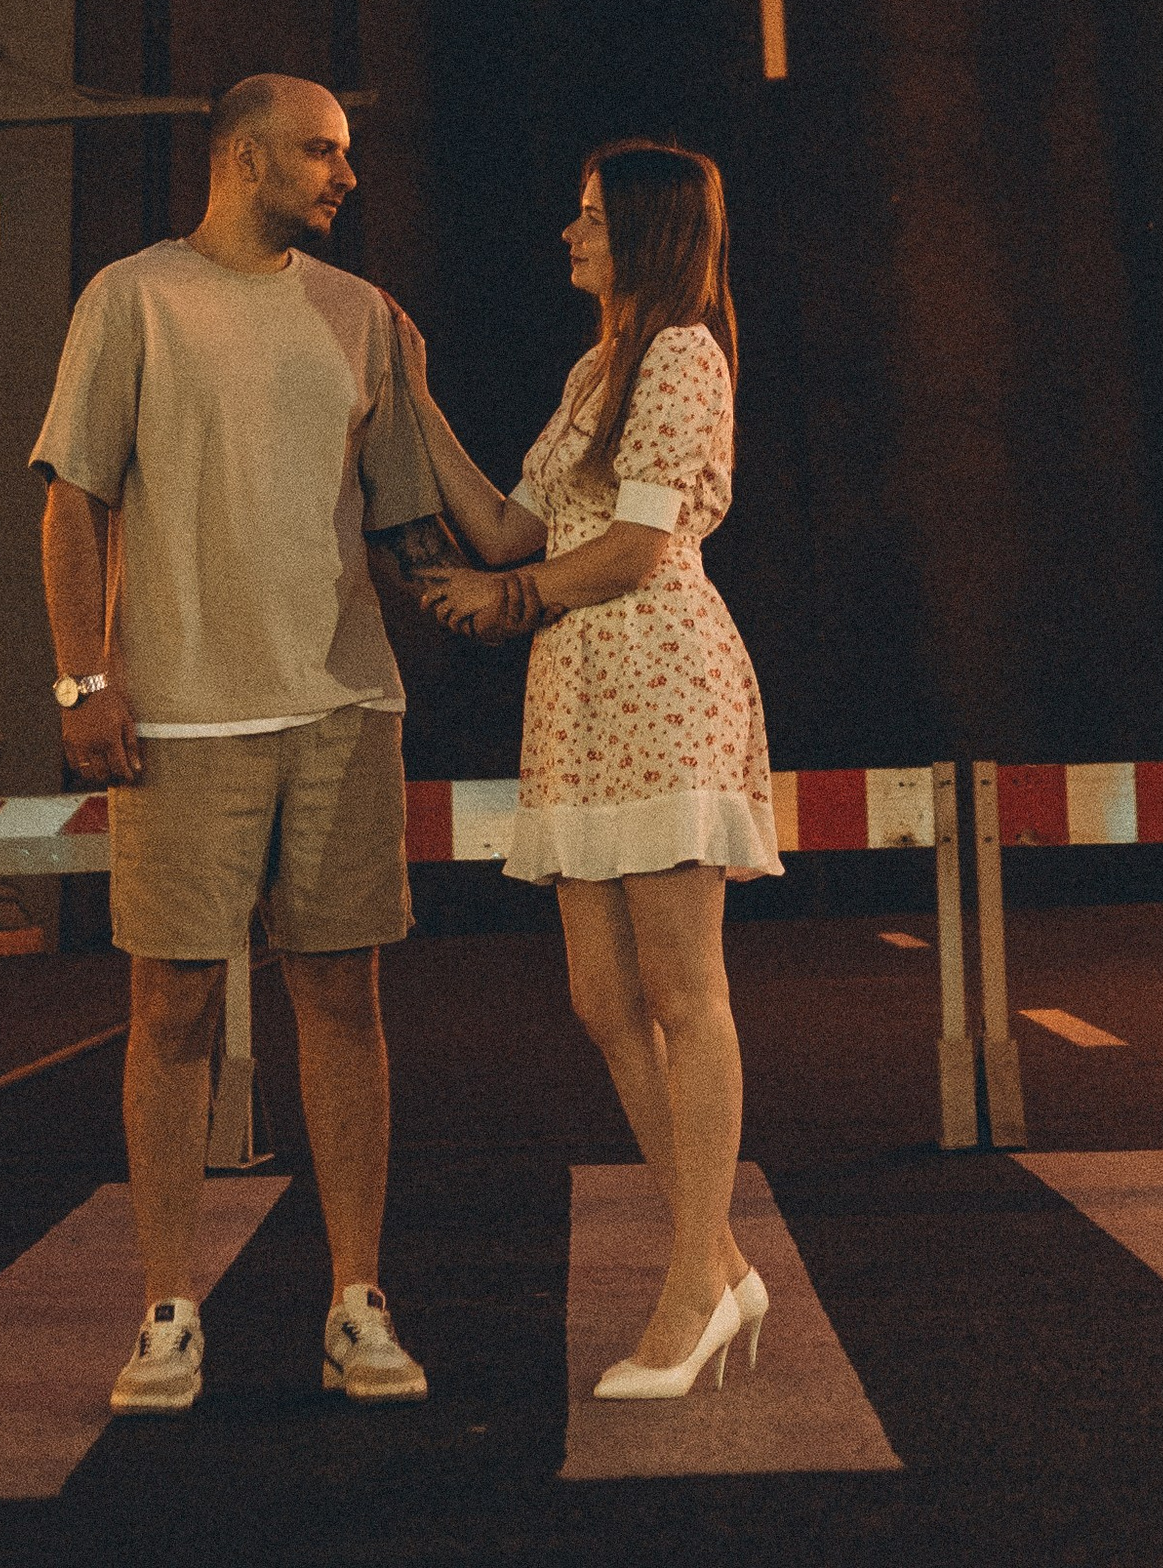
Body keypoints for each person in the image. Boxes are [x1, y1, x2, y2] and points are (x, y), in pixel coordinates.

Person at [32, 73, 465, 1420]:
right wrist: (81, 683)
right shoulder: (132, 297)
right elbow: (72, 498)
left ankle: (355, 1300)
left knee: (344, 996)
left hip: (342, 712)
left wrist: (542, 577)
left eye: (349, 154)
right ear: (242, 156)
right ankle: (170, 1306)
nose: (346, 176)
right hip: (183, 715)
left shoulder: (363, 317)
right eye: (321, 152)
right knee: (168, 1007)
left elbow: (408, 522)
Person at [406, 140, 781, 1401]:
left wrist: (507, 599)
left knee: (685, 990)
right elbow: (518, 523)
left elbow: (628, 547)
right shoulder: (594, 367)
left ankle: (692, 1288)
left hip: (659, 677)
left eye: (587, 218)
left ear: (644, 233)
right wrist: (414, 404)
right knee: (599, 997)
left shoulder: (682, 353)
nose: (567, 235)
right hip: (578, 696)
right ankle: (718, 1257)